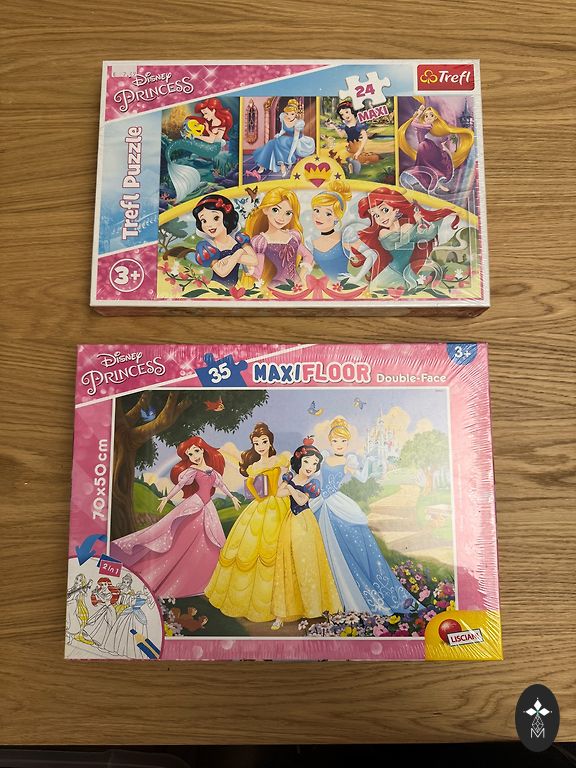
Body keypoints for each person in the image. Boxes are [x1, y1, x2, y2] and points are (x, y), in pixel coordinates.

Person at [310, 417, 423, 615]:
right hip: (321, 502)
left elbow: (362, 478)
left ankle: (351, 591)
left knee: (348, 546)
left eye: (343, 441)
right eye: (335, 440)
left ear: (348, 442)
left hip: (337, 503)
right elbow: (312, 474)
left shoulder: (348, 461)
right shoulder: (324, 457)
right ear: (330, 441)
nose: (339, 444)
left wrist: (369, 465)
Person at [110, 437, 238, 598]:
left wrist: (232, 497)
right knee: (182, 537)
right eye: (190, 454)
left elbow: (221, 485)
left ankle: (207, 580)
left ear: (203, 450)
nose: (194, 456)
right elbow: (180, 485)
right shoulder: (192, 471)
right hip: (195, 505)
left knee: (211, 542)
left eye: (196, 451)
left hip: (208, 508)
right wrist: (167, 498)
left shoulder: (213, 472)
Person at [205, 423, 291, 622]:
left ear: (270, 442)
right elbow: (250, 484)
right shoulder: (254, 467)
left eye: (264, 442)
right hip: (260, 507)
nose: (260, 446)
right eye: (256, 443)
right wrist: (258, 496)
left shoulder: (279, 460)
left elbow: (285, 481)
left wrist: (282, 490)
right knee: (250, 547)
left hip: (280, 503)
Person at [271, 441, 342, 630]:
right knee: (289, 563)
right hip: (291, 523)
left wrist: (290, 486)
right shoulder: (293, 478)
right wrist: (287, 480)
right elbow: (278, 493)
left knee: (308, 563)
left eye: (314, 464)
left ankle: (315, 609)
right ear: (299, 462)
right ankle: (284, 612)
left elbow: (301, 500)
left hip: (305, 523)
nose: (310, 467)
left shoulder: (313, 483)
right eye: (307, 462)